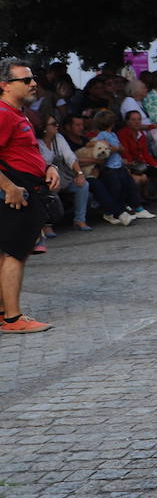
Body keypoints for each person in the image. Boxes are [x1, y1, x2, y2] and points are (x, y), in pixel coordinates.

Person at [0, 60, 60, 333]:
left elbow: (26, 153)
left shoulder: (18, 113)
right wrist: (9, 186)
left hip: (26, 186)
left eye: (33, 78)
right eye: (25, 80)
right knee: (15, 254)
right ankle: (13, 319)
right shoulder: (3, 114)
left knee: (10, 253)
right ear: (4, 85)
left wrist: (49, 167)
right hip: (16, 191)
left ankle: (5, 314)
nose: (33, 83)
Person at [91, 110, 156, 221]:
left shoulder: (113, 134)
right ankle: (110, 212)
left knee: (129, 186)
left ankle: (137, 208)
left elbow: (121, 149)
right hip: (110, 168)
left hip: (119, 166)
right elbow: (102, 148)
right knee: (115, 190)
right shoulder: (102, 135)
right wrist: (116, 148)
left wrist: (118, 149)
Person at [39, 115, 94, 231]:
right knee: (48, 194)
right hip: (45, 179)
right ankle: (47, 225)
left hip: (63, 177)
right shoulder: (36, 142)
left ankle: (80, 220)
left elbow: (69, 156)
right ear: (44, 127)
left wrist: (79, 173)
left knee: (83, 185)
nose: (56, 126)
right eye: (53, 124)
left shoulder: (58, 138)